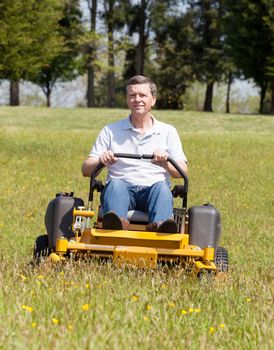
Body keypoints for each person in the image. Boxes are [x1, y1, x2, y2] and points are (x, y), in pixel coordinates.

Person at [82, 75, 188, 232]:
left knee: (161, 188)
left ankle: (161, 228)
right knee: (116, 184)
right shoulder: (110, 130)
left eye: (143, 95)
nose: (137, 99)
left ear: (153, 100)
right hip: (121, 189)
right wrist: (102, 161)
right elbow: (86, 170)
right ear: (127, 100)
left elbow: (183, 172)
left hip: (154, 190)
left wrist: (166, 162)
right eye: (132, 95)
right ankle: (116, 224)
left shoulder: (168, 131)